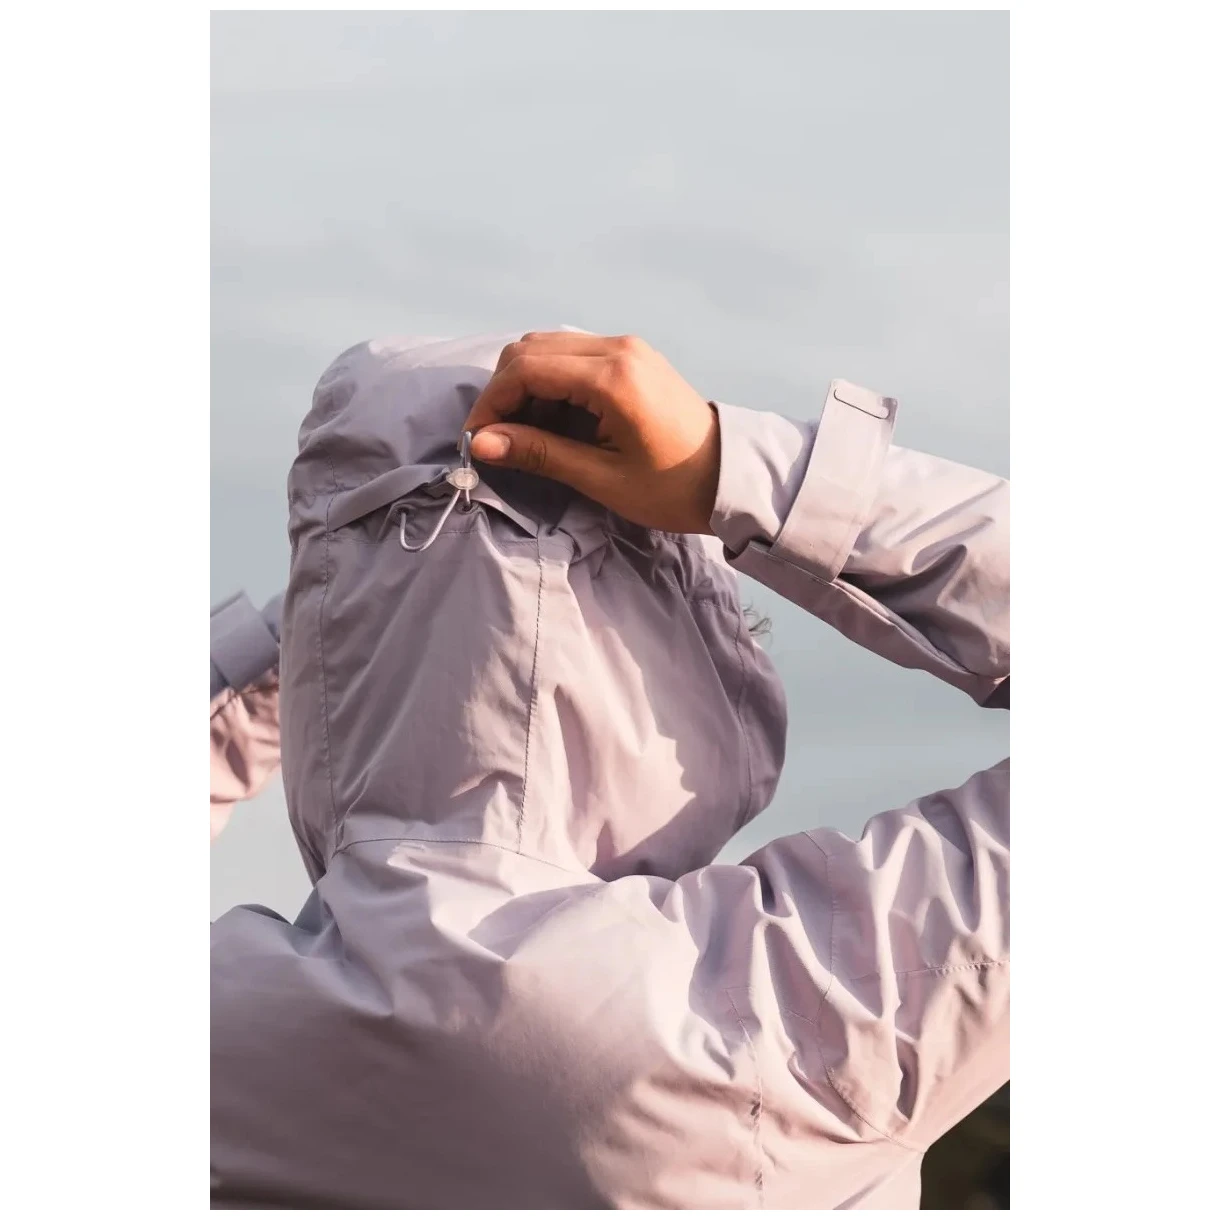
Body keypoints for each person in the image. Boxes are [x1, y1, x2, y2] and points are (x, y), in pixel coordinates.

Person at [210, 330, 1009, 1209]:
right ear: (681, 648)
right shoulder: (796, 1011)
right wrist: (733, 472)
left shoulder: (224, 1040)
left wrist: (331, 621)